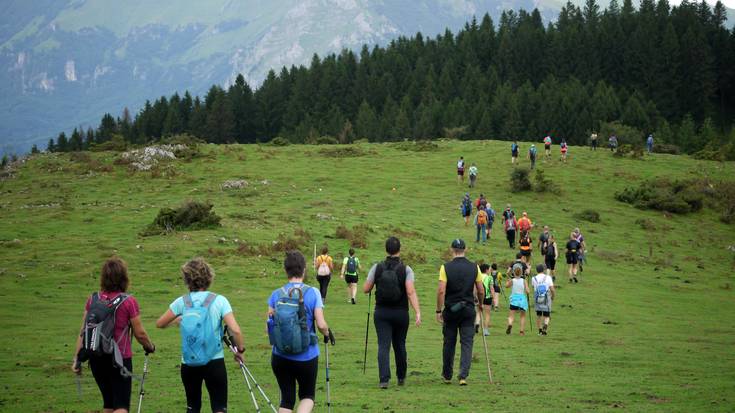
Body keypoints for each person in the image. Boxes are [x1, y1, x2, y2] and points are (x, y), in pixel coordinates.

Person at [156, 258, 244, 413]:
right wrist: (239, 350)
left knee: (193, 407)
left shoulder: (182, 302)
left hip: (189, 362)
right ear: (209, 277)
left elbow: (160, 323)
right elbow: (235, 330)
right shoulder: (219, 300)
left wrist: (178, 320)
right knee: (219, 407)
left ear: (187, 279)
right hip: (214, 361)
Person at [72, 258, 156, 413]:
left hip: (96, 357)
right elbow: (140, 333)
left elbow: (83, 331)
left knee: (108, 404)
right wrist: (149, 346)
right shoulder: (128, 301)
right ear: (124, 278)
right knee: (121, 405)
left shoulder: (93, 299)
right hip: (119, 359)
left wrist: (77, 359)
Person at [267, 251, 331, 412]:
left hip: (280, 355)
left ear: (285, 270)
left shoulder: (276, 295)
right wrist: (327, 334)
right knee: (307, 396)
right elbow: (322, 324)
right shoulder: (313, 292)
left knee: (286, 400)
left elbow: (269, 325)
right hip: (306, 355)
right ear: (304, 270)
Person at [363, 237, 421, 389]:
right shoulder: (406, 269)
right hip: (401, 313)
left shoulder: (377, 267)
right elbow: (410, 291)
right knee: (400, 345)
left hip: (381, 313)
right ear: (399, 250)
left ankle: (384, 379)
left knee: (383, 345)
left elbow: (365, 289)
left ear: (386, 250)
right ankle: (401, 377)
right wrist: (417, 312)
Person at [436, 239, 484, 385]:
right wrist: (480, 304)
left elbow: (441, 290)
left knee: (449, 342)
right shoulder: (475, 267)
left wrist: (439, 310)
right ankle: (463, 376)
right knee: (467, 343)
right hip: (468, 310)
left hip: (451, 310)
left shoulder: (445, 267)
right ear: (466, 249)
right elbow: (481, 290)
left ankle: (447, 375)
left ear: (452, 250)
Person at [505, 262, 530, 335]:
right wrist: (527, 292)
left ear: (513, 272)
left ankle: (510, 324)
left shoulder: (512, 280)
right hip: (522, 300)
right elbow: (528, 291)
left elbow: (506, 286)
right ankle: (521, 332)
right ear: (521, 272)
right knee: (522, 316)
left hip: (514, 300)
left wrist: (508, 280)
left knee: (511, 316)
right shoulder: (524, 281)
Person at [532, 264, 556, 336]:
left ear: (537, 270)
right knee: (547, 315)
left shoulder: (533, 278)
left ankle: (539, 330)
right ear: (543, 270)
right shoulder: (548, 277)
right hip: (546, 297)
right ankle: (545, 327)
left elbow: (533, 287)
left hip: (537, 297)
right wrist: (553, 297)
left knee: (539, 315)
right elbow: (552, 289)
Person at [479, 263, 494, 336]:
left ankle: (476, 323)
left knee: (478, 312)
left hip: (479, 297)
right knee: (487, 314)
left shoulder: (477, 277)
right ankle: (485, 330)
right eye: (489, 269)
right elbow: (491, 288)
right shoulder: (489, 277)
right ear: (486, 270)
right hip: (487, 297)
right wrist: (494, 298)